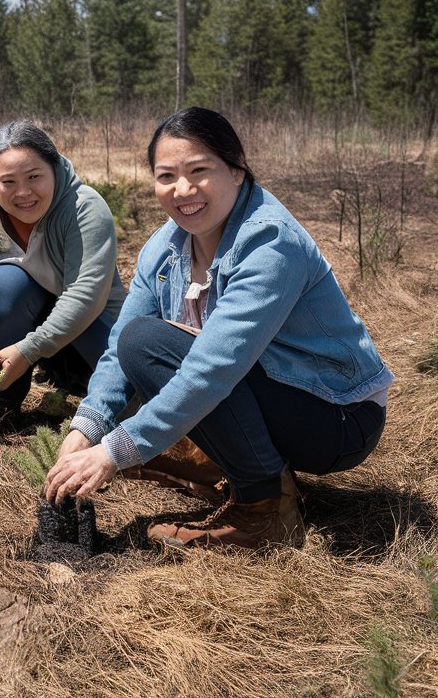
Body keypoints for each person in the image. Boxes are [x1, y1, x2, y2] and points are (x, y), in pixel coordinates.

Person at [45, 107, 394, 550]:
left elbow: (213, 368)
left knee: (150, 345)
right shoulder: (165, 245)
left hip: (336, 416)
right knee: (136, 344)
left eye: (199, 171)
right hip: (270, 392)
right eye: (166, 176)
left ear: (236, 170)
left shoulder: (270, 242)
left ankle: (265, 511)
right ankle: (229, 461)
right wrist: (86, 429)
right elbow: (118, 350)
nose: (182, 189)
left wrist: (116, 451)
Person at [0, 121, 126, 411]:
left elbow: (85, 296)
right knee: (4, 285)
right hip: (23, 338)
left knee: (125, 396)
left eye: (34, 177)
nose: (23, 192)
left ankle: (108, 400)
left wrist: (28, 350)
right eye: (8, 182)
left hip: (92, 331)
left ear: (55, 169)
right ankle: (3, 405)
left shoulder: (84, 209)